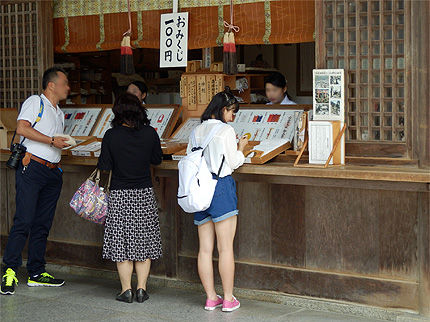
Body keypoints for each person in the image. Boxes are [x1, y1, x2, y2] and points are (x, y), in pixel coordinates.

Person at [1, 67, 71, 295]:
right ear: (52, 85)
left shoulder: (59, 112)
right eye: (65, 83)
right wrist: (52, 140)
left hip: (52, 172)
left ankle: (36, 272)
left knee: (42, 223)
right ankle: (10, 270)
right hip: (32, 168)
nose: (68, 87)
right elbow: (22, 128)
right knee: (24, 220)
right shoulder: (35, 102)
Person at [187, 87, 248, 312]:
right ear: (223, 110)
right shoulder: (225, 131)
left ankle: (211, 297)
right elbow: (232, 163)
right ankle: (229, 299)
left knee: (204, 248)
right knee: (225, 248)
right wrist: (241, 148)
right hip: (221, 187)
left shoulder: (196, 131)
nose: (233, 117)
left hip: (201, 188)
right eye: (232, 112)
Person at [98, 93, 163, 303]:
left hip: (119, 195)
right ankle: (142, 289)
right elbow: (157, 160)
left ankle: (126, 290)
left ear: (118, 112)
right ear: (140, 110)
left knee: (121, 244)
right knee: (143, 242)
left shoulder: (111, 136)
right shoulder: (150, 133)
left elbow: (105, 166)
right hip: (144, 194)